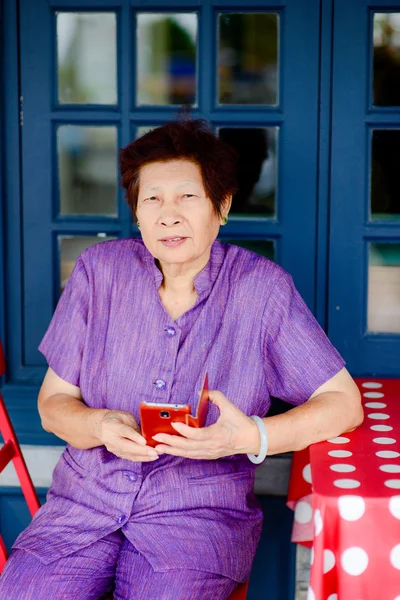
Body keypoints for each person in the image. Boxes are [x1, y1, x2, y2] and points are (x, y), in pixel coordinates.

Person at [0, 117, 363, 600]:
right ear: (137, 214)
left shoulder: (261, 290)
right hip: (82, 509)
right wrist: (100, 425)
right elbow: (53, 403)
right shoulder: (98, 274)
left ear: (223, 206)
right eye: (152, 199)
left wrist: (249, 435)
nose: (168, 215)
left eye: (187, 197)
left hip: (195, 522)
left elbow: (343, 403)